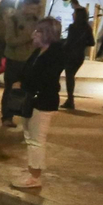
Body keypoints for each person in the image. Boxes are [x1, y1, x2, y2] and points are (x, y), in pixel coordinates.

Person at [7, 17, 66, 192]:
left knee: (37, 140)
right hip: (32, 100)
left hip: (43, 101)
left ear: (45, 33)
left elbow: (45, 79)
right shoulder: (39, 51)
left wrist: (24, 85)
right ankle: (32, 171)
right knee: (29, 137)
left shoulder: (55, 53)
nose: (33, 35)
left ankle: (35, 177)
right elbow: (28, 71)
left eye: (37, 31)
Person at [0, 0, 41, 128]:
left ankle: (26, 115)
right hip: (15, 59)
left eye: (37, 8)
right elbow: (10, 40)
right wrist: (29, 37)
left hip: (31, 59)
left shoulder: (37, 21)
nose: (35, 11)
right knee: (10, 89)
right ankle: (7, 116)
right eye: (33, 8)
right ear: (25, 6)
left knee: (29, 90)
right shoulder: (14, 19)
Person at [61, 1, 94, 110]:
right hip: (80, 55)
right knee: (71, 76)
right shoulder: (87, 28)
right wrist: (82, 44)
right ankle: (70, 100)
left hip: (70, 54)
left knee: (69, 77)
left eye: (74, 13)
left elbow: (69, 42)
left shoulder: (73, 27)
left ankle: (70, 100)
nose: (72, 15)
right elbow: (92, 42)